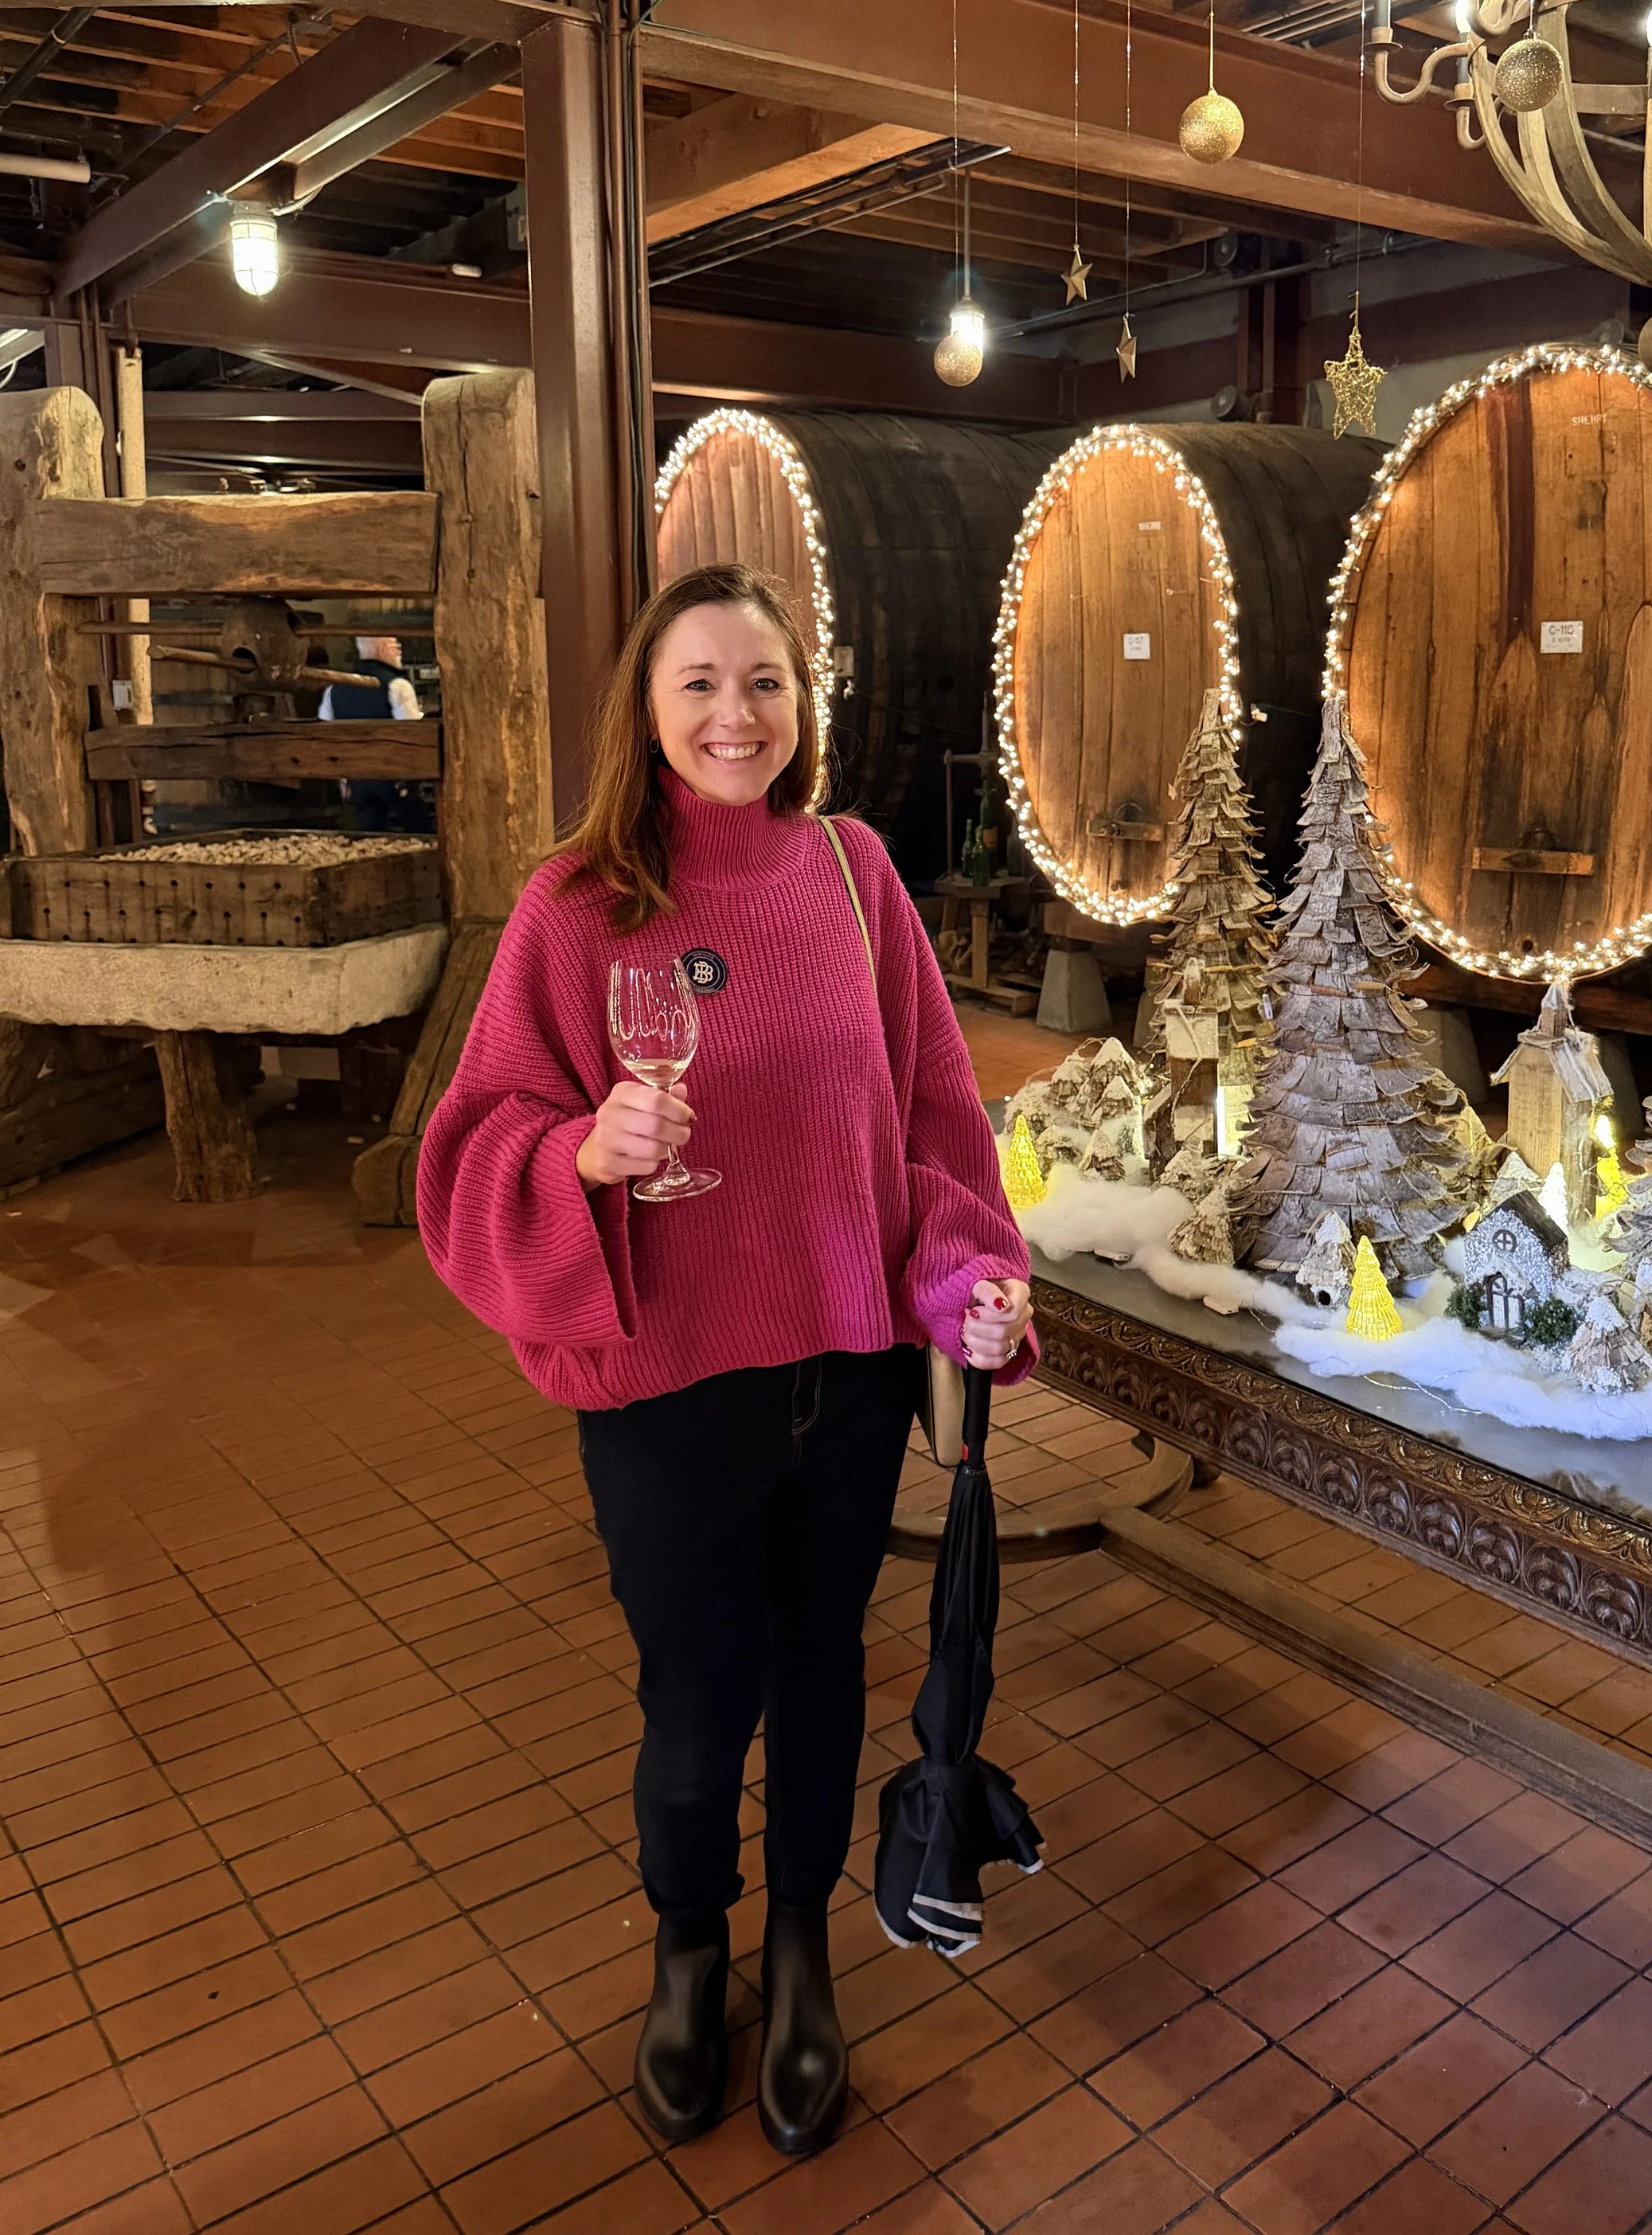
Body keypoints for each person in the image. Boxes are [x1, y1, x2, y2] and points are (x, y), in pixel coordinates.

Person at [417, 563, 1033, 2163]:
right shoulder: (576, 902)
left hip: (844, 1371)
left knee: (822, 1673)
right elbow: (470, 1145)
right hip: (669, 1384)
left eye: (761, 680)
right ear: (646, 703)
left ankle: (803, 1948)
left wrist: (969, 1273)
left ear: (800, 702)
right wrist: (579, 1155)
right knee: (695, 1702)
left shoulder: (852, 874)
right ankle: (689, 1945)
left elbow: (930, 1123)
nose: (732, 712)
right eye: (697, 681)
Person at [319, 631, 429, 831]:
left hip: (358, 781)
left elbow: (326, 734)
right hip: (395, 779)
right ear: (381, 649)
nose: (399, 648)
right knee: (418, 834)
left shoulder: (333, 690)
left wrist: (342, 777)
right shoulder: (398, 686)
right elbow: (414, 736)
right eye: (394, 644)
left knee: (370, 836)